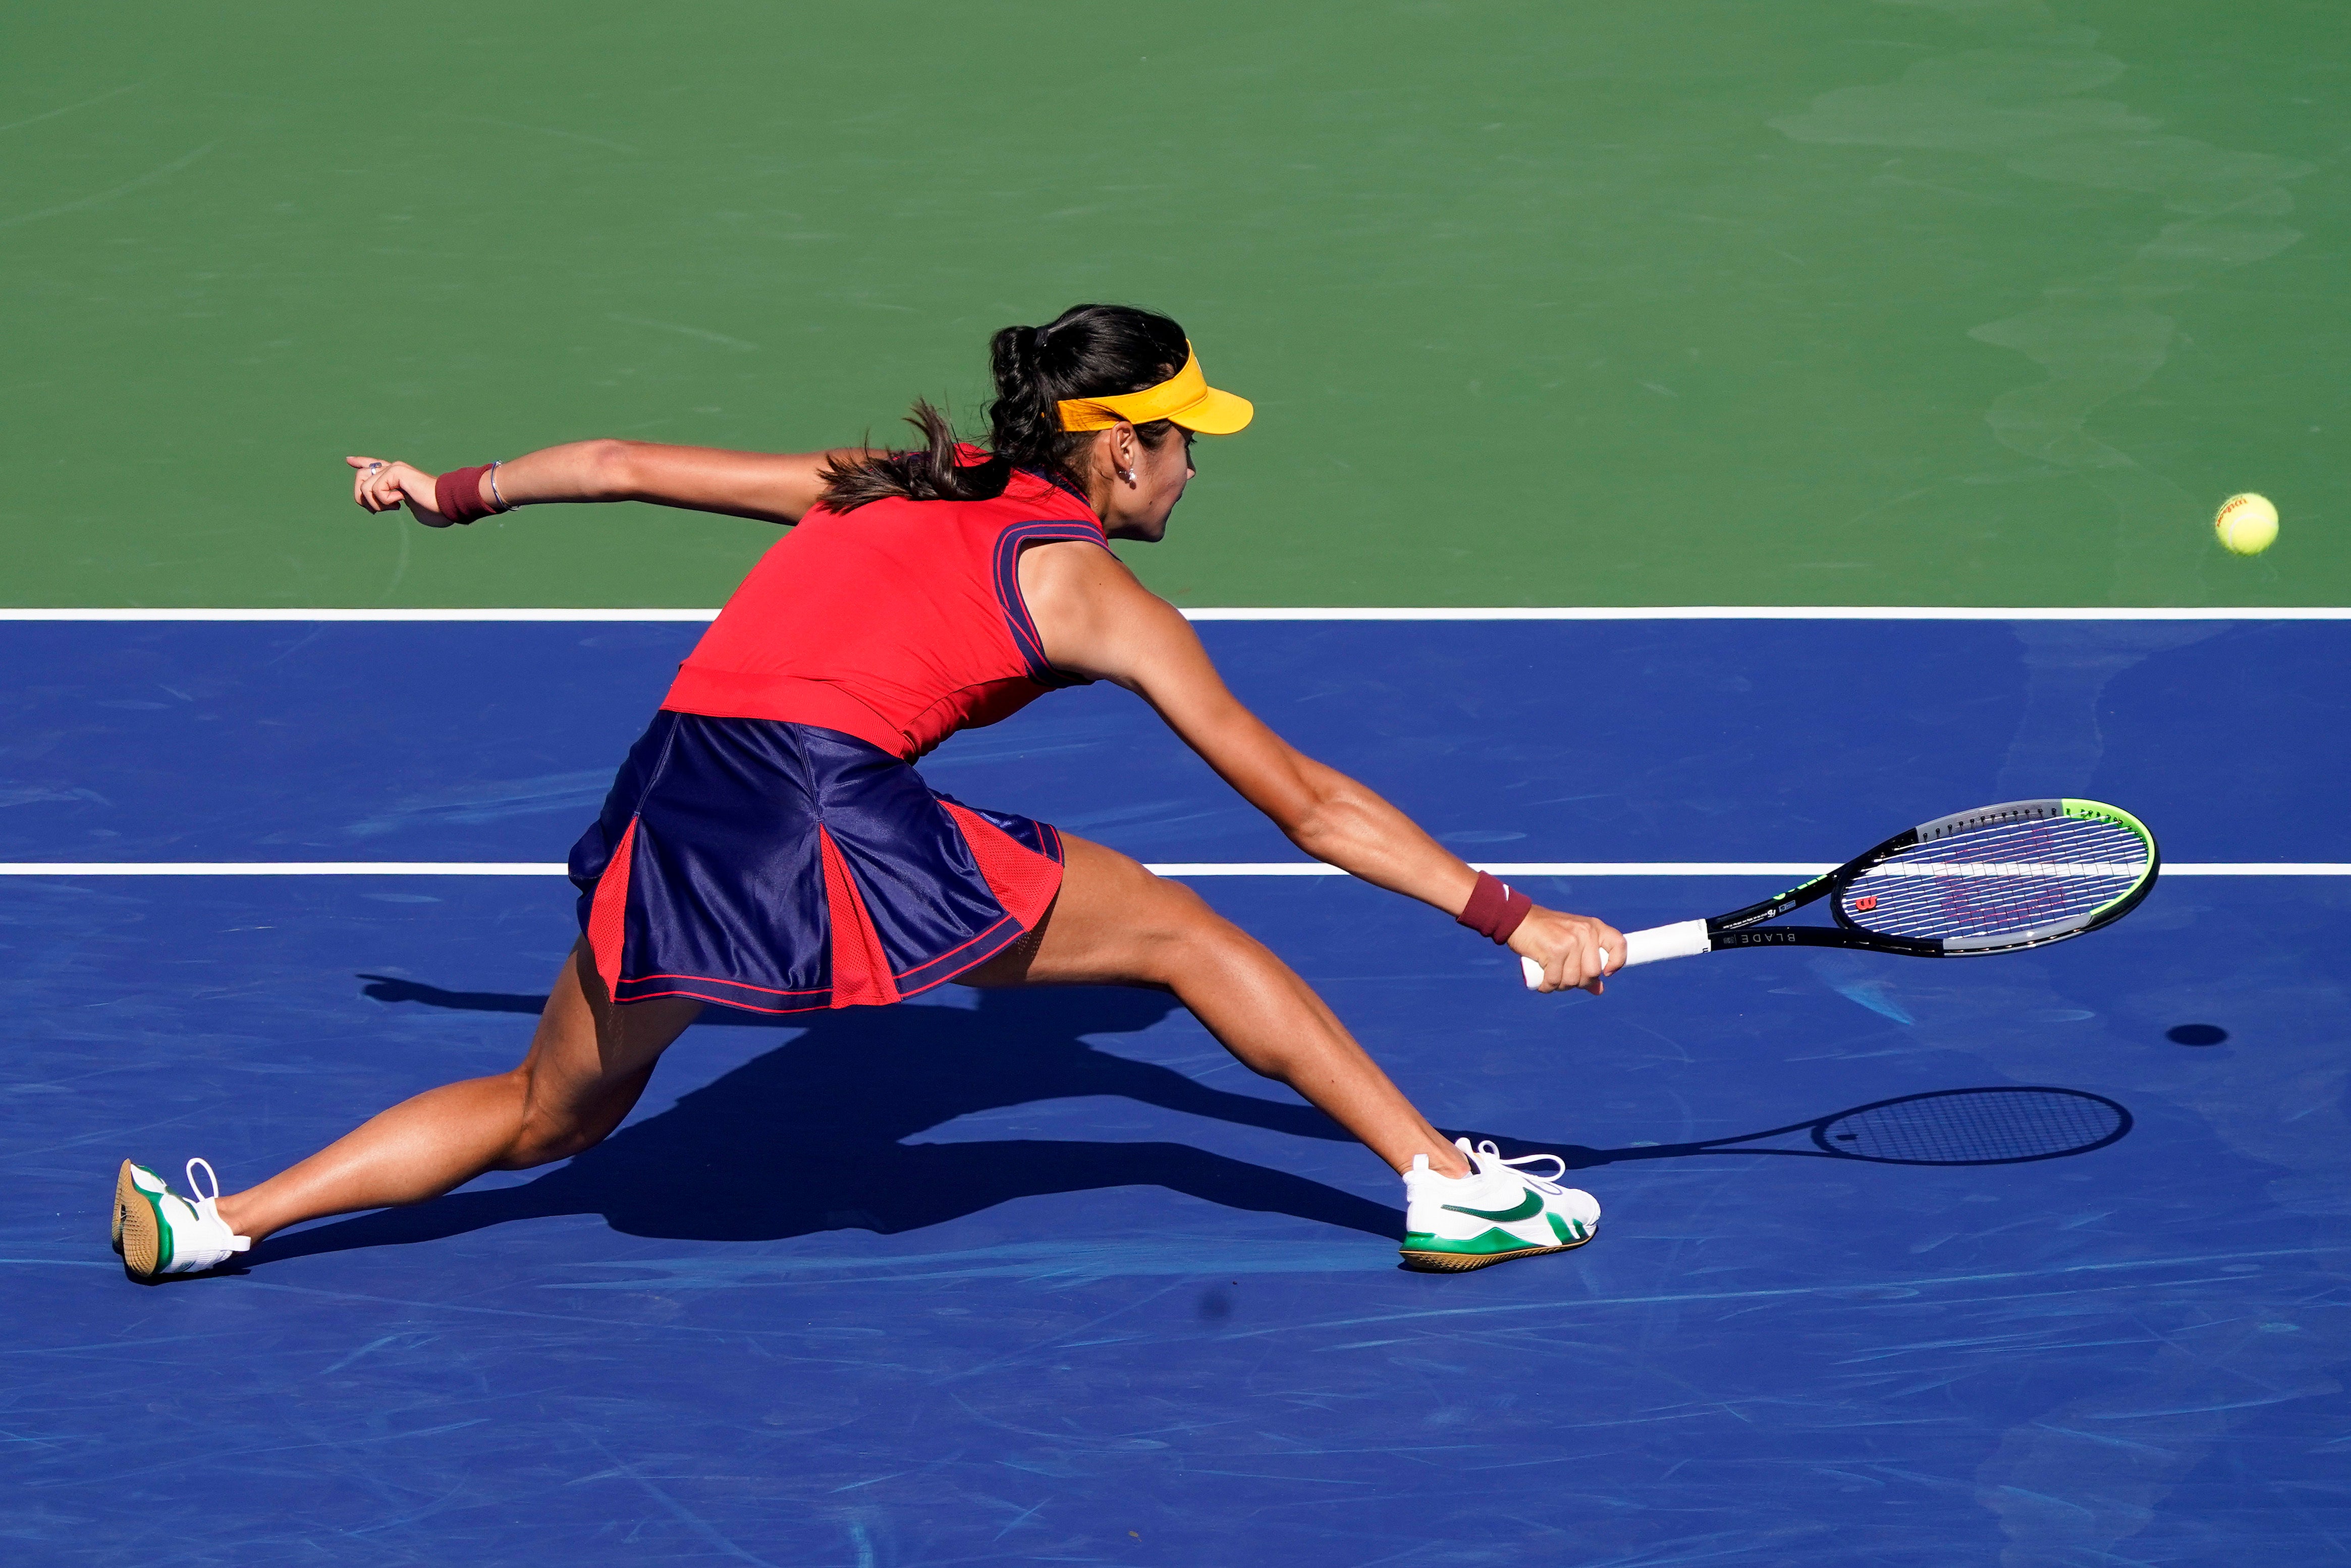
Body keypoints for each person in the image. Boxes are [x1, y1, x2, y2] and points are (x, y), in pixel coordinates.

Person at [112, 304, 1621, 1282]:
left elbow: (626, 459)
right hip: (812, 803)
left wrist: (445, 491)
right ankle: (1441, 1184)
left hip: (677, 787)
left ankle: (214, 1222)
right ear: (1113, 452)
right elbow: (1300, 800)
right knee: (1183, 935)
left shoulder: (897, 474)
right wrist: (1510, 916)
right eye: (1181, 444)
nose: (1190, 471)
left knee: (542, 1113)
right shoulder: (1087, 590)